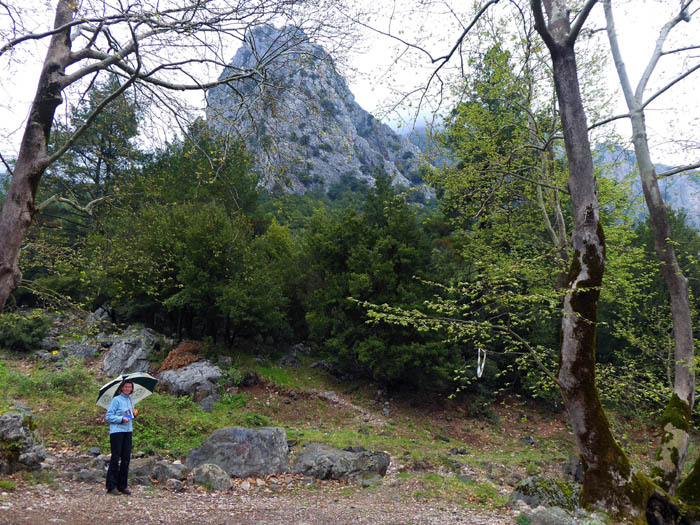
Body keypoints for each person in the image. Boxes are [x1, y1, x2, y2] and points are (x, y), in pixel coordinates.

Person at [104, 380, 136, 495]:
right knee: (115, 458)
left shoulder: (131, 400)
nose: (128, 388)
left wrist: (133, 414)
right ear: (122, 388)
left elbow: (129, 415)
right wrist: (121, 419)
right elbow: (108, 416)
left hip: (128, 431)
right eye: (126, 386)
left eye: (130, 387)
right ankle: (112, 486)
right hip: (117, 432)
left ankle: (123, 485)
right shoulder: (116, 400)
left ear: (132, 389)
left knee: (126, 458)